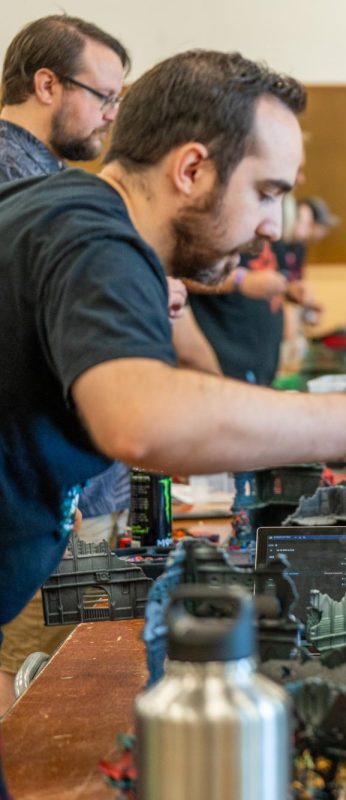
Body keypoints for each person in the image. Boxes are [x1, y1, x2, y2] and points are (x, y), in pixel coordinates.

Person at [0, 48, 346, 716]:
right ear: (190, 169)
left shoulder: (62, 212)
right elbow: (142, 420)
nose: (274, 225)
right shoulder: (93, 238)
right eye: (267, 192)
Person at [0, 15, 219, 715]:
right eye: (104, 96)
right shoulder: (32, 187)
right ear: (46, 85)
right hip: (38, 504)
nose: (111, 116)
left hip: (68, 500)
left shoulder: (52, 181)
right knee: (31, 685)